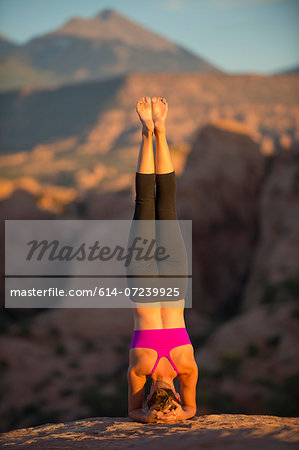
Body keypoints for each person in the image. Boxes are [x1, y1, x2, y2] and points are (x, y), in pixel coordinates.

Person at [127, 96, 198, 424]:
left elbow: (192, 409)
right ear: (151, 397)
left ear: (176, 395)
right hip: (143, 284)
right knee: (145, 203)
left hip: (174, 283)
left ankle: (161, 130)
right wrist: (149, 416)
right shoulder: (140, 368)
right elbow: (132, 411)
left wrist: (179, 415)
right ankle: (148, 133)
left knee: (166, 204)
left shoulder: (187, 366)